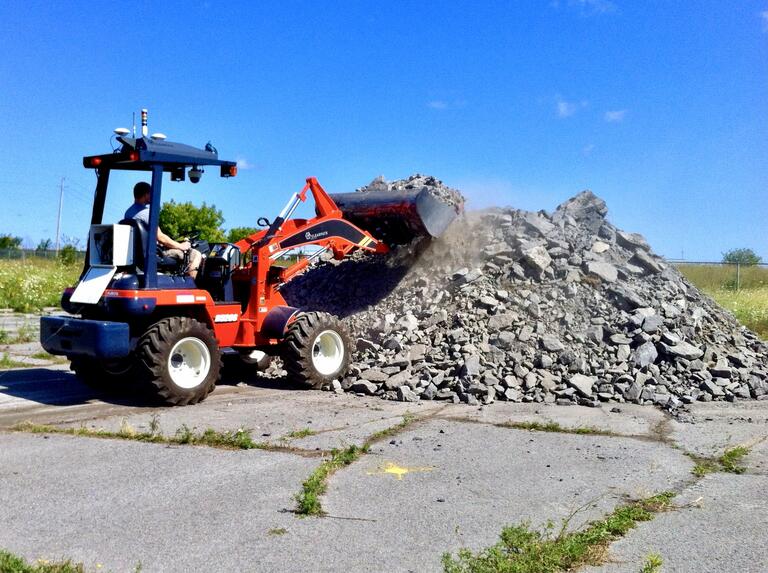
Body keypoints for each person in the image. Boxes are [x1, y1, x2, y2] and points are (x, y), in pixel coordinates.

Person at [124, 181, 202, 279]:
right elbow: (161, 238)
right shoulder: (147, 213)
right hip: (153, 255)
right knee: (195, 254)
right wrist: (182, 246)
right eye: (150, 193)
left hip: (136, 256)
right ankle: (190, 285)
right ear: (146, 194)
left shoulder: (128, 213)